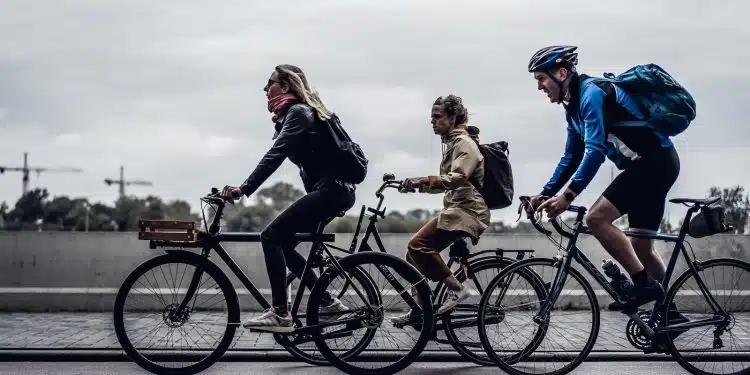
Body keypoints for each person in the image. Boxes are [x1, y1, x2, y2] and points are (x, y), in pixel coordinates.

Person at [526, 45, 688, 322]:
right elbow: (572, 155)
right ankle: (670, 317)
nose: (540, 86)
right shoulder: (573, 107)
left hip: (654, 163)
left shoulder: (592, 94)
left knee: (596, 219)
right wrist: (545, 192)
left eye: (541, 78)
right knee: (641, 246)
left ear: (562, 73)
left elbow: (595, 151)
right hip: (652, 165)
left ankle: (644, 285)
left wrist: (569, 195)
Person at [220, 64, 352, 333]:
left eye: (270, 83)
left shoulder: (299, 113)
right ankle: (327, 301)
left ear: (287, 86)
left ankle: (281, 314)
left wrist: (243, 189)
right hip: (334, 191)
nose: (265, 89)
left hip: (331, 192)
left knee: (270, 236)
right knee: (285, 243)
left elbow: (275, 155)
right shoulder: (295, 114)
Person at [390, 95, 491, 324]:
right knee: (413, 256)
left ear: (452, 117)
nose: (433, 122)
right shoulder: (454, 143)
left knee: (417, 245)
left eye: (437, 117)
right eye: (431, 118)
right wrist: (417, 186)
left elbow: (458, 178)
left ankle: (457, 289)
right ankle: (421, 312)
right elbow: (448, 181)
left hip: (468, 211)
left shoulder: (464, 143)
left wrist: (424, 179)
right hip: (458, 208)